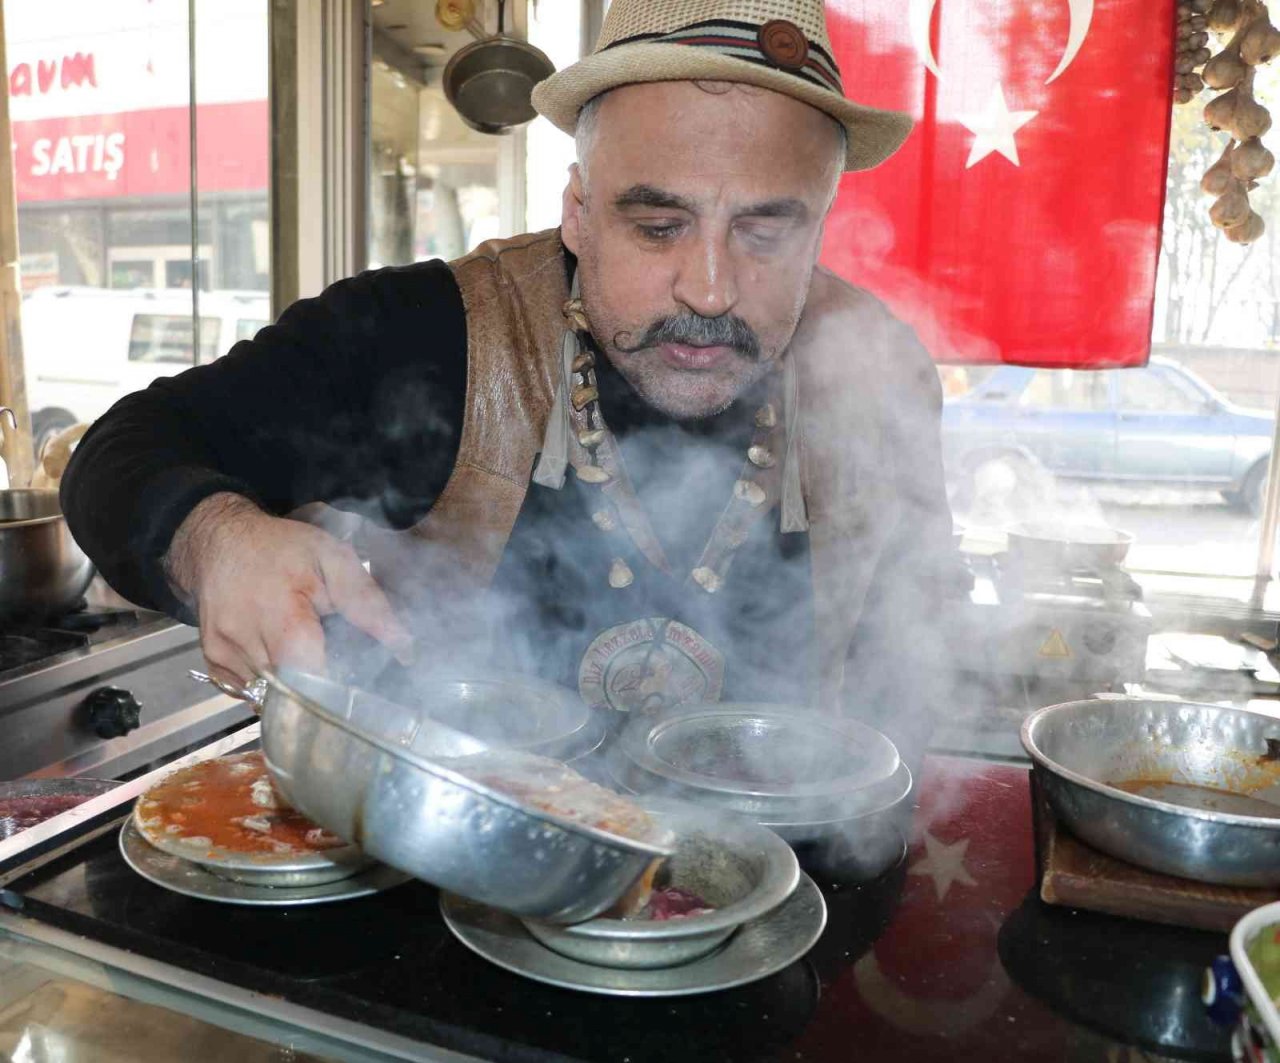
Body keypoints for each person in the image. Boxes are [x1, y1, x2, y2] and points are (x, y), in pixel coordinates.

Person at [61, 0, 957, 764]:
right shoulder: (433, 334)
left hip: (790, 889)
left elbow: (919, 660)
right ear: (578, 211)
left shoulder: (876, 375)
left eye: (765, 233)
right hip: (453, 879)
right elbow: (123, 449)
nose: (711, 289)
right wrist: (219, 540)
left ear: (821, 226)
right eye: (657, 227)